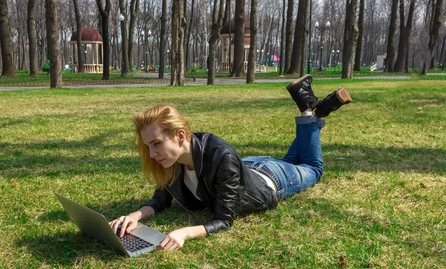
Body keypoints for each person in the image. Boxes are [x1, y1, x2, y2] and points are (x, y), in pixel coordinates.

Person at [109, 75, 352, 251]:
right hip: (244, 168)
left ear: (180, 136)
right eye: (148, 146)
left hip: (271, 180)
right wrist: (134, 216)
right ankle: (316, 113)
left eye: (156, 144)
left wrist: (185, 232)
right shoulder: (171, 161)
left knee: (312, 168)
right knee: (292, 160)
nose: (152, 154)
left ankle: (309, 112)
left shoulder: (220, 155)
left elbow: (224, 219)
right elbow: (161, 198)